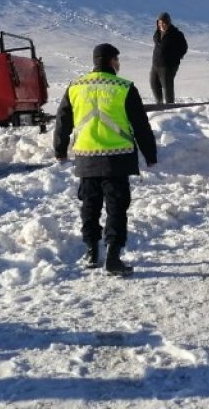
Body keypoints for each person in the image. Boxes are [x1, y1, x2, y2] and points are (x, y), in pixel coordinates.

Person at [53, 43, 157, 276]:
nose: (119, 64)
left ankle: (91, 251)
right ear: (111, 61)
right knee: (116, 208)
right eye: (117, 60)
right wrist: (150, 154)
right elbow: (141, 124)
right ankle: (113, 255)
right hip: (117, 158)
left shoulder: (75, 87)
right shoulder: (124, 87)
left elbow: (62, 120)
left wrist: (60, 149)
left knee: (89, 205)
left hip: (86, 157)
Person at [149, 12, 188, 104]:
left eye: (163, 23)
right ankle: (159, 103)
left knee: (167, 87)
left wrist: (174, 58)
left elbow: (184, 48)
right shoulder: (157, 33)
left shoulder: (176, 34)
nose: (161, 25)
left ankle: (170, 106)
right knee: (153, 83)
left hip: (168, 66)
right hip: (156, 64)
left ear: (168, 23)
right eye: (159, 23)